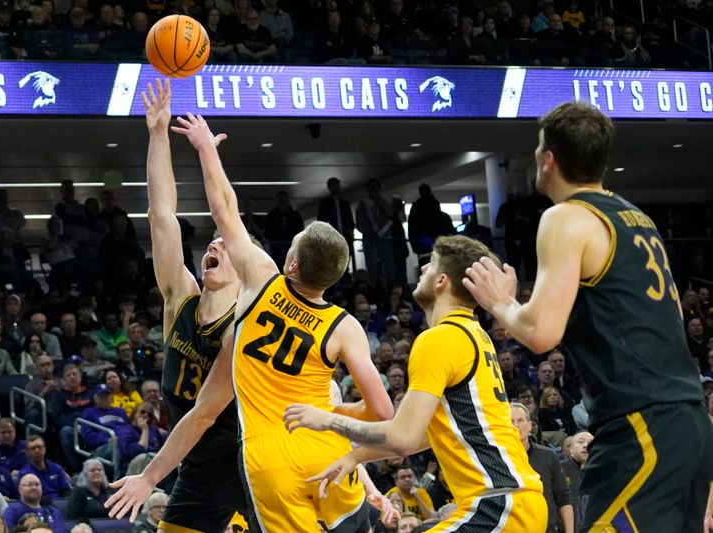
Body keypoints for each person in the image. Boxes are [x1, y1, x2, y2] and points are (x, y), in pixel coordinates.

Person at [463, 101, 713, 532]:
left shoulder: (566, 217)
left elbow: (541, 334)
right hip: (688, 418)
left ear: (548, 159)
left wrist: (500, 302)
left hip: (643, 423)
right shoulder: (637, 218)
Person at [170, 111, 393, 532]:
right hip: (325, 446)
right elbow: (382, 411)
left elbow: (223, 209)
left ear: (291, 264)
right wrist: (332, 411)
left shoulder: (262, 280)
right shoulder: (345, 326)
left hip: (269, 456)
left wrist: (205, 149)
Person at [283, 235, 547, 532]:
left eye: (430, 265)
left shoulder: (439, 338)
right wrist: (356, 456)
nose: (421, 270)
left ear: (441, 281)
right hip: (514, 502)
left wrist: (327, 419)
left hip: (498, 503)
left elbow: (402, 437)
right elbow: (426, 435)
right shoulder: (473, 334)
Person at [104, 79, 248, 533]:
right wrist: (158, 135)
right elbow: (162, 216)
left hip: (248, 457)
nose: (214, 244)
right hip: (197, 463)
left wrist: (150, 478)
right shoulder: (180, 297)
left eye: (225, 245)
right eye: (212, 242)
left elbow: (206, 413)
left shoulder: (243, 319)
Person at [510, 403, 572, 533]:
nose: (515, 425)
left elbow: (563, 497)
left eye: (520, 420)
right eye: (511, 421)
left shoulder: (548, 456)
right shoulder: (497, 459)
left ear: (529, 425)